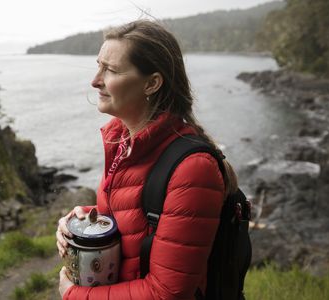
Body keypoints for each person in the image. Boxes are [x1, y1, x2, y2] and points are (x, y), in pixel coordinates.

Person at [56, 19, 238, 300]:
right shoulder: (123, 142)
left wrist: (75, 295)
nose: (95, 80)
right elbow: (136, 217)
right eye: (98, 65)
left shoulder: (193, 170)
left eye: (111, 70)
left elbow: (168, 292)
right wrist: (81, 219)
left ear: (152, 83)